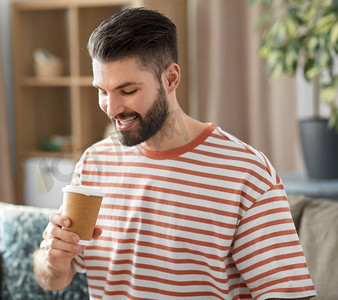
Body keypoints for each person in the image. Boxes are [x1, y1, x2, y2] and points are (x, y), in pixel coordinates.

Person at [33, 7, 316, 299]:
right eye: (102, 91)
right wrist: (53, 259)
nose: (111, 107)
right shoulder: (94, 163)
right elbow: (55, 277)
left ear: (170, 78)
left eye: (127, 91)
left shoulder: (247, 174)